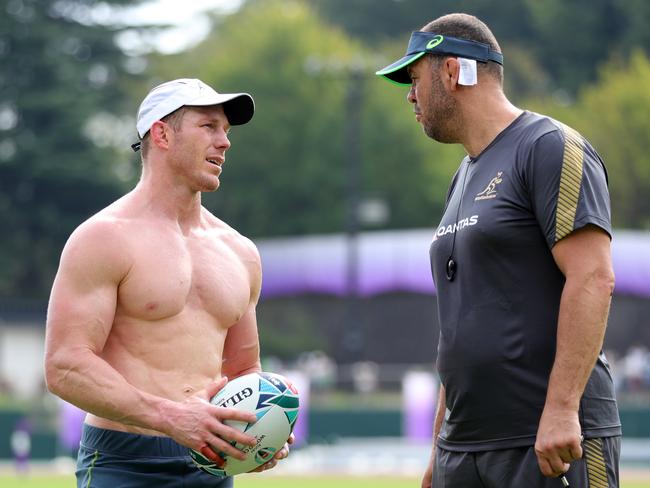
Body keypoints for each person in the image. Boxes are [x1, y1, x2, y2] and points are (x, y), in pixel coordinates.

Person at [376, 13, 621, 488]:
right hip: (464, 448)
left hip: (546, 441)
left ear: (451, 72)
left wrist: (562, 409)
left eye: (414, 77)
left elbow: (593, 278)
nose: (411, 94)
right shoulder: (463, 177)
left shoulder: (550, 147)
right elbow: (460, 324)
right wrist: (438, 449)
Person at [44, 78, 292, 487]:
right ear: (161, 133)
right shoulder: (103, 238)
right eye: (209, 126)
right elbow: (64, 366)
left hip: (212, 464)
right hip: (123, 462)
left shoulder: (240, 251)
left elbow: (245, 369)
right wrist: (170, 416)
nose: (224, 142)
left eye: (226, 131)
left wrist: (261, 428)